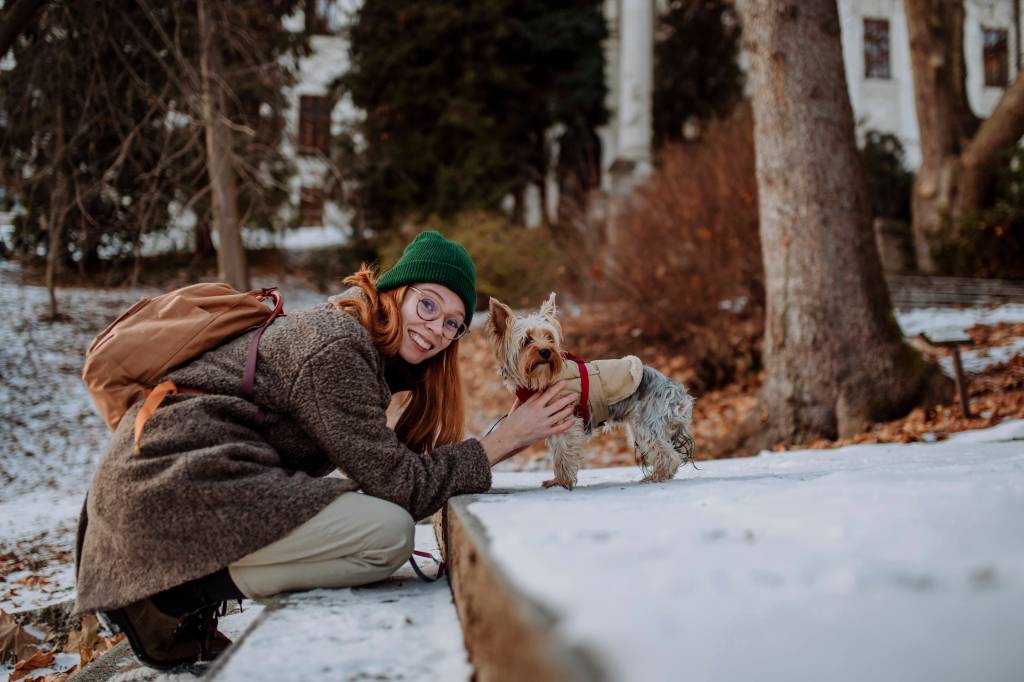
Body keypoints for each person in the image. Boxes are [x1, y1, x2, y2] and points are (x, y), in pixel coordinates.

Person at [74, 231, 577, 669]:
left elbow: (386, 473)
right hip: (167, 488)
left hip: (182, 484)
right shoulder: (336, 346)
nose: (436, 330)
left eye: (452, 324)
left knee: (374, 515)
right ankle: (171, 595)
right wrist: (503, 440)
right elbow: (401, 486)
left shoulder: (361, 351)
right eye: (428, 305)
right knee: (384, 535)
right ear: (395, 292)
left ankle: (183, 589)